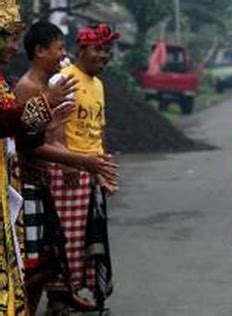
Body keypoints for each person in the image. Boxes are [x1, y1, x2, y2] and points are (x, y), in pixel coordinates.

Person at [14, 21, 118, 315]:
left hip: (52, 176)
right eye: (59, 49)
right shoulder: (34, 86)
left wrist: (96, 164)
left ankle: (58, 299)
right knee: (36, 264)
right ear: (39, 51)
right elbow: (29, 142)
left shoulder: (62, 85)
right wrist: (77, 160)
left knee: (54, 257)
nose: (62, 56)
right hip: (33, 183)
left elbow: (49, 131)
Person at [45, 24, 120, 315]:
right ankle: (58, 299)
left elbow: (98, 129)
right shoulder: (64, 79)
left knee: (91, 239)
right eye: (98, 49)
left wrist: (104, 169)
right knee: (67, 240)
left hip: (92, 169)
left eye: (106, 50)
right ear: (81, 50)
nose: (104, 55)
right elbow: (56, 125)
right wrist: (67, 161)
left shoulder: (99, 84)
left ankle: (74, 294)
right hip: (70, 170)